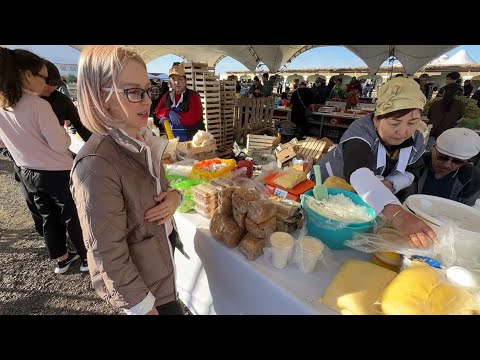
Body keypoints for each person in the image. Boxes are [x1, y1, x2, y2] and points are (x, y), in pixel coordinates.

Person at [71, 45, 184, 315]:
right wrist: (142, 307)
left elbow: (160, 188)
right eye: (133, 92)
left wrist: (174, 196)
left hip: (158, 272)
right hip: (145, 293)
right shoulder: (96, 164)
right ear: (101, 96)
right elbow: (105, 255)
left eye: (148, 90)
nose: (147, 101)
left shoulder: (140, 139)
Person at [316, 77, 437, 247]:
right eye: (394, 122)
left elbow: (415, 169)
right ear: (376, 119)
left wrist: (391, 183)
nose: (403, 131)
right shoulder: (361, 130)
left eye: (412, 122)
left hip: (363, 200)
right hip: (325, 188)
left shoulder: (416, 138)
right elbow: (358, 171)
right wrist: (397, 214)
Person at [0, 48, 87, 273]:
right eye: (43, 76)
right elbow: (60, 144)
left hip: (27, 171)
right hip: (57, 172)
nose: (47, 83)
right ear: (28, 75)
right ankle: (87, 258)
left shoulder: (3, 105)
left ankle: (62, 259)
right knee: (72, 213)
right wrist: (63, 132)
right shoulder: (39, 105)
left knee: (48, 216)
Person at [399, 128, 480, 206]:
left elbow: (465, 210)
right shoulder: (414, 163)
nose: (447, 165)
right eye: (442, 157)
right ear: (433, 147)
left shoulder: (472, 178)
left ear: (466, 161)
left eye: (457, 161)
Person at [41, 60, 91, 141]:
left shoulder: (62, 101)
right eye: (48, 84)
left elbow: (80, 125)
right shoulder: (20, 101)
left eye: (54, 84)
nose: (51, 87)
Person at [155, 62, 204, 141]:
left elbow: (192, 117)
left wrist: (169, 118)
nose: (177, 83)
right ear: (170, 82)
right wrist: (168, 112)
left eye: (180, 79)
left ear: (185, 81)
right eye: (173, 80)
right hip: (173, 137)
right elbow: (158, 111)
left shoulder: (193, 96)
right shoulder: (167, 96)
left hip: (193, 139)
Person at [426, 82, 465, 147]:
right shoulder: (460, 105)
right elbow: (459, 118)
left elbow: (428, 116)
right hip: (446, 134)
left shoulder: (436, 103)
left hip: (431, 132)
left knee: (429, 151)